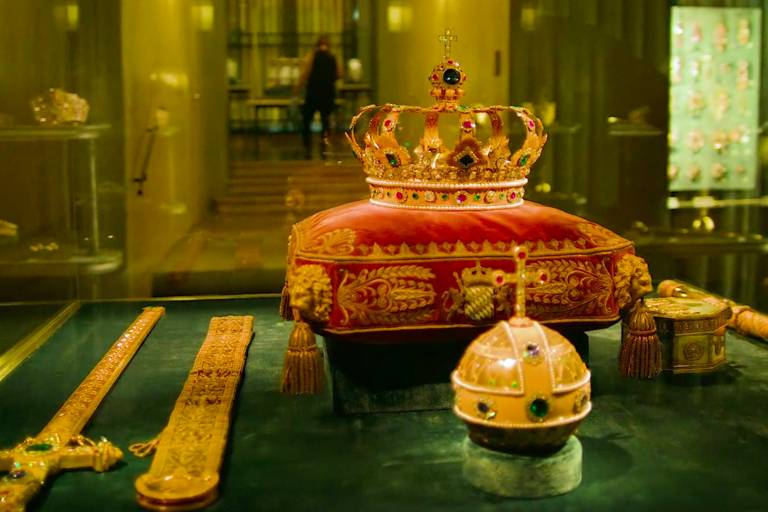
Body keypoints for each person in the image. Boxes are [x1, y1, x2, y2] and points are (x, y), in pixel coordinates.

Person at [294, 35, 343, 158]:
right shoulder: (332, 57)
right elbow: (339, 74)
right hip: (328, 92)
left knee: (307, 119)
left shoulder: (312, 57)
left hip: (313, 92)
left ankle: (307, 143)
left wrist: (297, 88)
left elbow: (305, 73)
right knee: (325, 119)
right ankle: (323, 142)